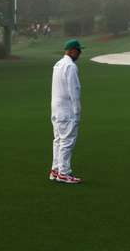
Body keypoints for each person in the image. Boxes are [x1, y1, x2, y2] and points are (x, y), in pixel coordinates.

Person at [49, 39, 83, 184]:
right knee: (67, 142)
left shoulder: (58, 64)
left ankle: (55, 170)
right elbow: (74, 90)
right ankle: (64, 173)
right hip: (67, 110)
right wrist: (77, 111)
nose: (80, 54)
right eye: (79, 51)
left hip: (56, 109)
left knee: (58, 141)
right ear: (73, 51)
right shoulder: (70, 66)